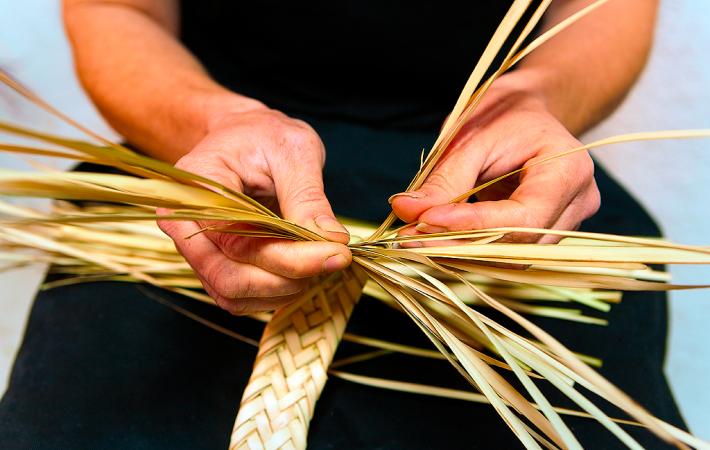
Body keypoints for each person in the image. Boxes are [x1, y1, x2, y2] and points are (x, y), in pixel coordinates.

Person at [0, 1, 687, 448]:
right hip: (211, 157)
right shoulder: (213, 143)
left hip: (492, 174)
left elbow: (608, 10)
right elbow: (120, 12)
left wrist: (537, 99)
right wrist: (212, 120)